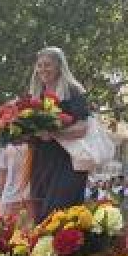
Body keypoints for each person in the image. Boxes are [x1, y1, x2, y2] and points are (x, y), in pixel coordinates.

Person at [27, 47, 92, 221]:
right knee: (41, 217)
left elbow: (83, 128)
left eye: (47, 65)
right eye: (39, 65)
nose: (42, 69)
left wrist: (55, 133)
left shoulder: (73, 91)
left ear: (59, 66)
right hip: (41, 162)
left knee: (59, 216)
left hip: (68, 163)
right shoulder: (36, 96)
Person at [0, 142, 31, 220]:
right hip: (28, 197)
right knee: (25, 231)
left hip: (9, 197)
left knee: (6, 229)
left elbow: (2, 177)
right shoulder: (31, 144)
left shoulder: (3, 147)